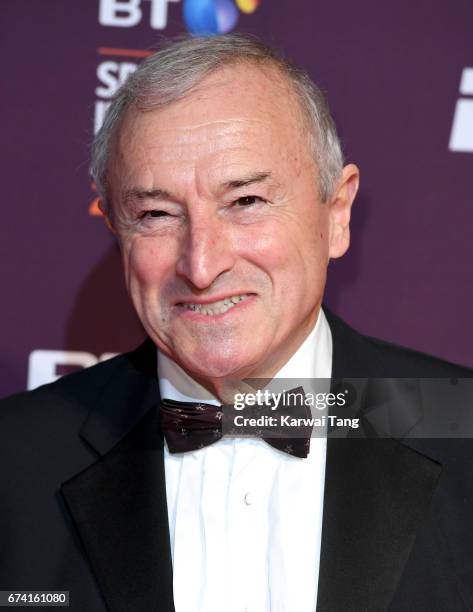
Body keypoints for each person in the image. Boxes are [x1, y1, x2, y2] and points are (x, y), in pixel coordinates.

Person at [1, 34, 472, 612]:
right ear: (116, 230)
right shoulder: (13, 461)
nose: (201, 264)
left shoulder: (464, 432)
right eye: (155, 214)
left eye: (245, 201)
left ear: (337, 213)